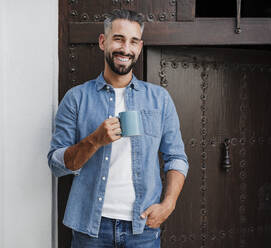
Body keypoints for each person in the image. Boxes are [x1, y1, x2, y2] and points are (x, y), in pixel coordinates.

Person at [48, 9, 188, 248]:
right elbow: (56, 163)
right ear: (103, 42)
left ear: (140, 47)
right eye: (119, 39)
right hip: (90, 229)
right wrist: (94, 140)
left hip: (143, 228)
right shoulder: (76, 99)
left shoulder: (159, 99)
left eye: (133, 41)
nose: (125, 48)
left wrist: (169, 204)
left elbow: (176, 157)